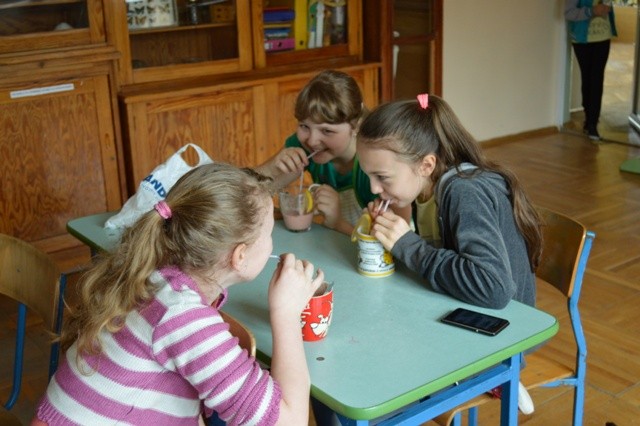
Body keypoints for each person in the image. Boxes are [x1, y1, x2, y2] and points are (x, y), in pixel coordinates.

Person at [32, 163, 325, 425]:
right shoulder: (182, 316)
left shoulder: (150, 269)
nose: (272, 242)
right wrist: (287, 314)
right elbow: (291, 422)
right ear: (240, 256)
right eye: (269, 234)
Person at [356, 94, 542, 413]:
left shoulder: (463, 192)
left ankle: (495, 374)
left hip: (502, 333)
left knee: (377, 377)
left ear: (426, 164)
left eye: (382, 177)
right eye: (369, 176)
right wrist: (395, 232)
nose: (373, 188)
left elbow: (494, 288)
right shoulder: (425, 188)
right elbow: (443, 253)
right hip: (460, 310)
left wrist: (408, 245)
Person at [256, 69, 411, 235]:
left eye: (327, 131)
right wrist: (272, 169)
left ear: (356, 125)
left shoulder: (377, 163)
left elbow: (399, 241)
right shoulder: (303, 147)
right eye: (304, 126)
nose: (312, 141)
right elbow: (247, 192)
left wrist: (338, 223)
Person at [565, 0, 617, 141]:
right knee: (587, 78)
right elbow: (568, 13)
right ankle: (589, 117)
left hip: (603, 38)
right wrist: (592, 11)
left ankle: (592, 122)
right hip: (582, 40)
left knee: (597, 79)